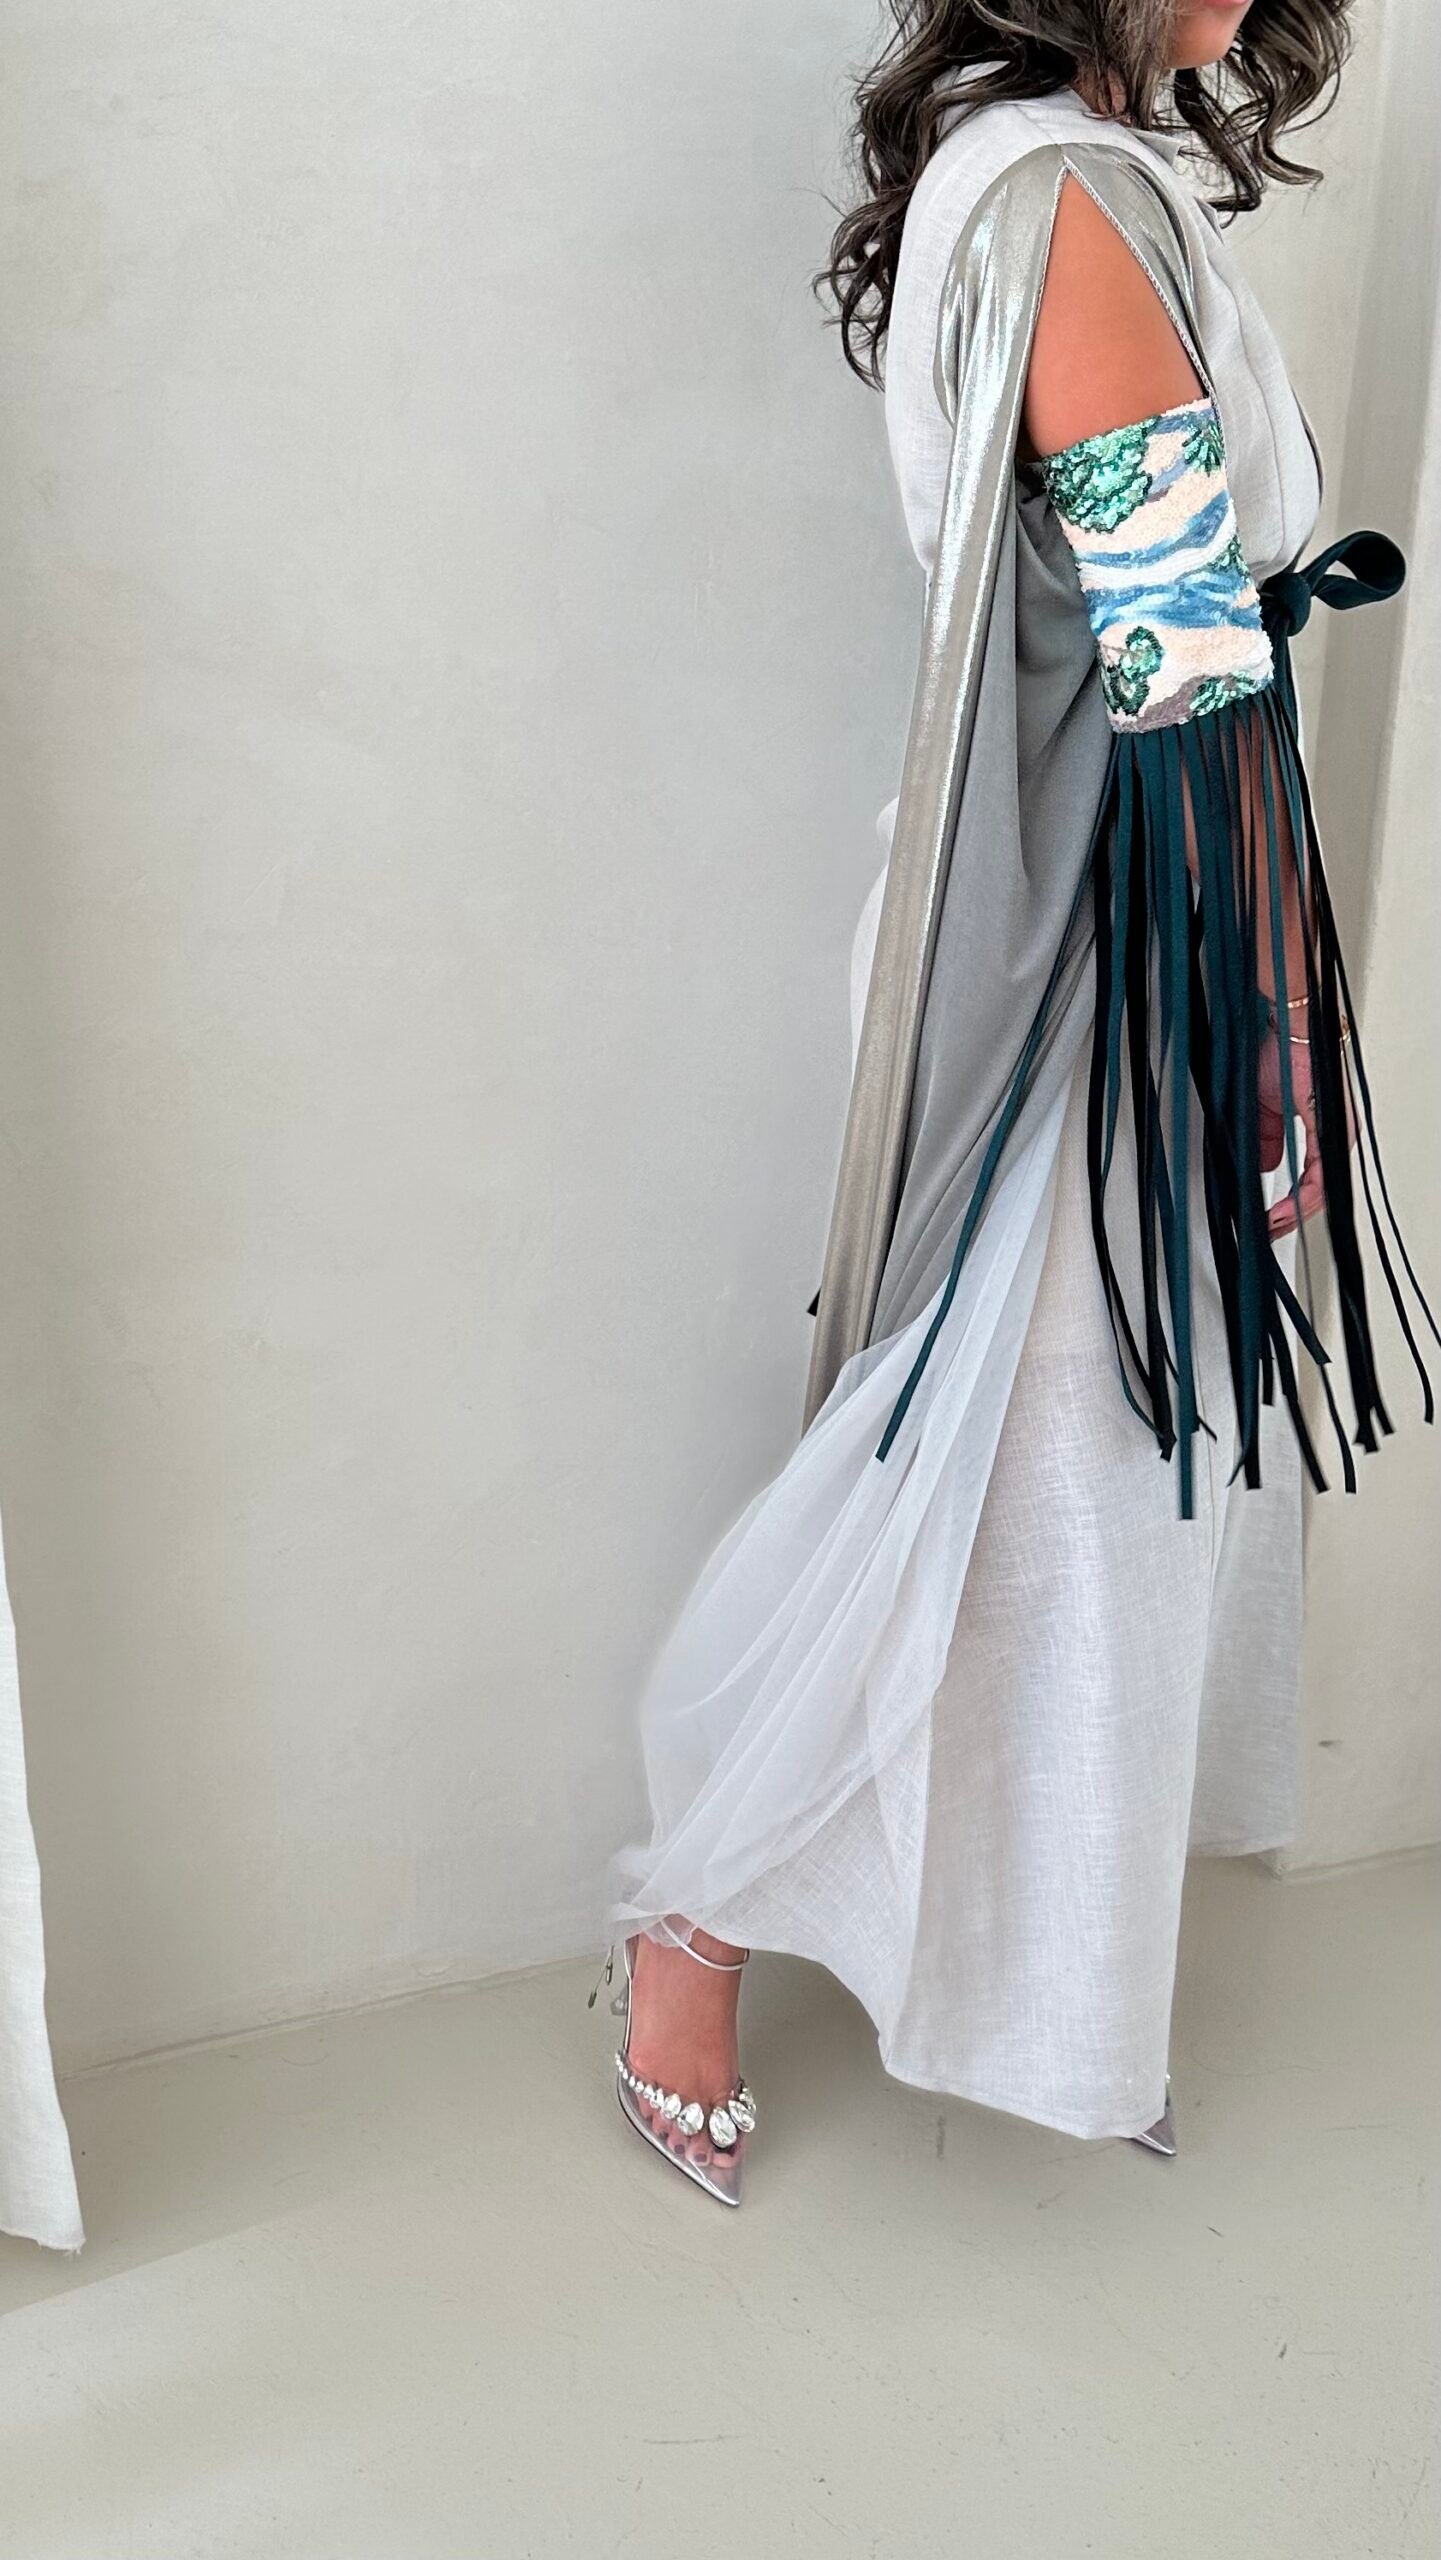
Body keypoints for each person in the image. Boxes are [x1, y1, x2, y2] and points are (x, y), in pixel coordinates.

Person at [598, 0, 1434, 2207]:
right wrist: (1271, 1002)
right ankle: (691, 1923)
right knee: (972, 1461)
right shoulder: (1065, 202)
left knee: (1086, 1476)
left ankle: (1055, 1985)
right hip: (1095, 922)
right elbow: (1178, 649)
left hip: (1105, 893)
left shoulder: (1055, 168)